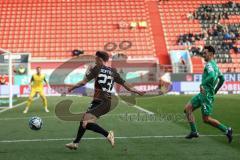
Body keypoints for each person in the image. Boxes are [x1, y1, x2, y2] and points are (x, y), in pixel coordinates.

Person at [65, 51, 145, 150]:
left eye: (96, 58)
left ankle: (108, 134)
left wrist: (71, 88)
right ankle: (75, 143)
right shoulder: (113, 71)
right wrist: (137, 91)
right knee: (83, 122)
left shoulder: (97, 69)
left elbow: (83, 82)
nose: (95, 60)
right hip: (102, 101)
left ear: (100, 59)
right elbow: (126, 85)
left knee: (86, 122)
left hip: (102, 101)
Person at [184, 45, 233, 143]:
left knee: (206, 119)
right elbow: (222, 79)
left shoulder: (209, 65)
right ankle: (194, 132)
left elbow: (211, 76)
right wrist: (215, 90)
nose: (203, 54)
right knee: (187, 108)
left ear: (211, 54)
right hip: (204, 94)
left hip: (206, 95)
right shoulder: (215, 65)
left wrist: (203, 84)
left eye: (205, 53)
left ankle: (227, 130)